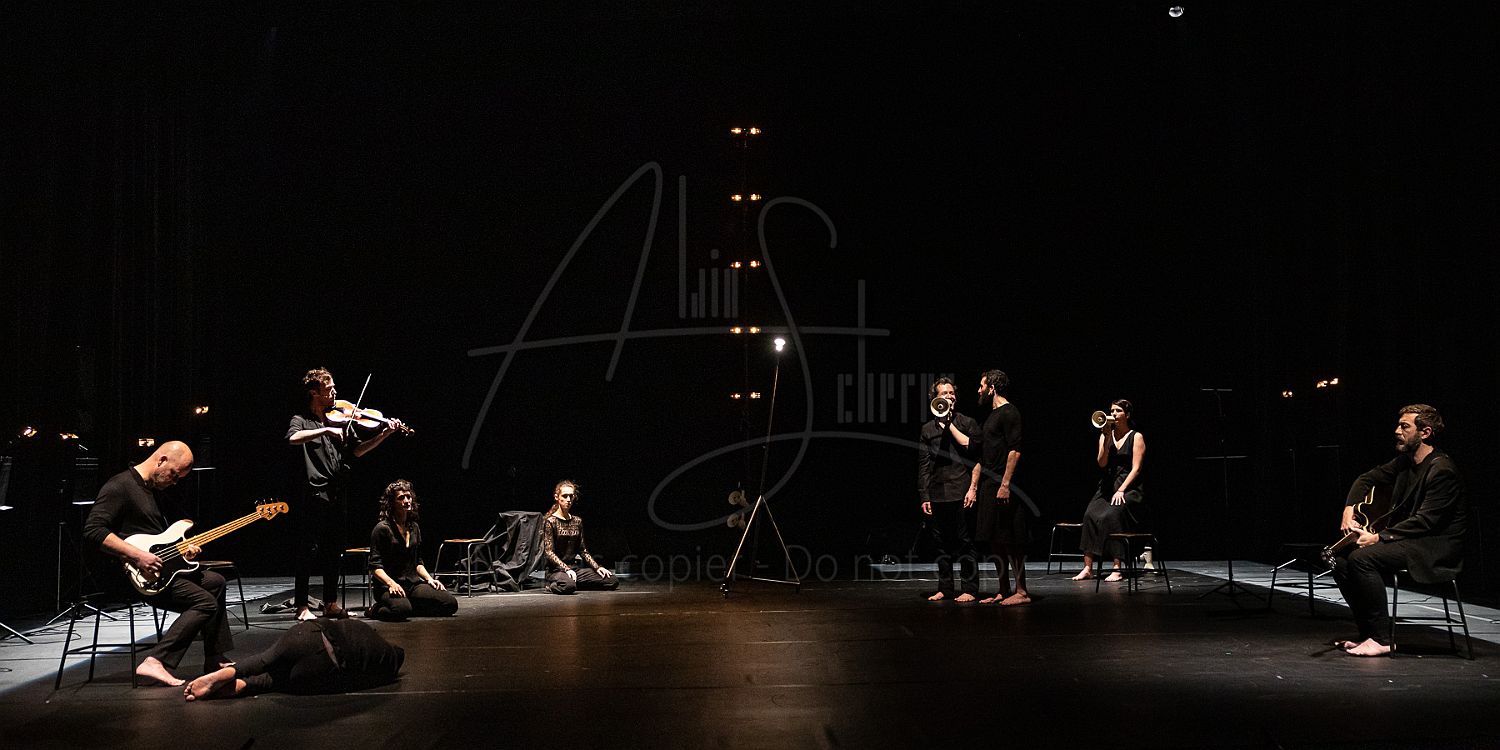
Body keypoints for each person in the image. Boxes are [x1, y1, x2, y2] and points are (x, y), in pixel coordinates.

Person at [82, 441, 234, 687]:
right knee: (204, 602)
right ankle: (155, 661)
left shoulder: (152, 492)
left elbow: (158, 543)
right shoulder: (120, 485)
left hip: (158, 571)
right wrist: (136, 555)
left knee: (216, 582)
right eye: (174, 474)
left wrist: (183, 553)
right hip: (128, 575)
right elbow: (93, 531)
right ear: (161, 460)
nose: (174, 482)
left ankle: (214, 658)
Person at [1330, 404, 1467, 657]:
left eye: (1405, 426)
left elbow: (1425, 521)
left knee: (1361, 559)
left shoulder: (1441, 470)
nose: (1397, 431)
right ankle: (1368, 633)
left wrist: (1378, 537)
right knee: (1340, 561)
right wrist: (1349, 509)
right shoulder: (1405, 462)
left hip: (1433, 547)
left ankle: (1381, 639)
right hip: (1410, 540)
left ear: (1425, 432)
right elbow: (1366, 478)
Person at [286, 368, 402, 621]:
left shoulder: (340, 420)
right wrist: (324, 431)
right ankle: (302, 606)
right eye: (329, 389)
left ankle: (330, 603)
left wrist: (384, 434)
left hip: (338, 491)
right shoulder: (302, 419)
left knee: (334, 550)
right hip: (315, 492)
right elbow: (293, 438)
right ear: (314, 392)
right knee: (309, 550)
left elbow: (358, 451)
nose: (335, 393)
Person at [183, 616, 404, 699]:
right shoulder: (387, 666)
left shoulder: (365, 630)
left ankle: (232, 670)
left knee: (264, 659)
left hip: (310, 635)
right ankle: (245, 685)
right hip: (324, 667)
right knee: (271, 682)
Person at [967, 370, 1028, 605]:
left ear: (992, 388)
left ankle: (1021, 591)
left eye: (981, 386)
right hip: (988, 484)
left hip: (1003, 483)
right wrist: (974, 487)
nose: (979, 390)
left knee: (1011, 538)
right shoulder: (990, 417)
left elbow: (1015, 450)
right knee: (994, 539)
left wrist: (1005, 484)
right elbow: (981, 457)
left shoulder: (1009, 412)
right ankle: (1003, 589)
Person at [917, 377, 981, 602]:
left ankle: (969, 589)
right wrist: (924, 495)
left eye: (951, 393)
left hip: (961, 490)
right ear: (934, 398)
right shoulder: (927, 429)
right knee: (940, 544)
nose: (949, 396)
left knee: (965, 542)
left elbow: (977, 458)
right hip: (937, 493)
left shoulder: (967, 423)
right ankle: (945, 588)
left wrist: (973, 489)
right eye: (943, 393)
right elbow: (924, 465)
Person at [1073, 400, 1147, 582]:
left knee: (1113, 515)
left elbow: (1137, 468)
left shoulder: (1136, 436)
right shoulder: (1105, 435)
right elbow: (1101, 463)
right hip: (1107, 485)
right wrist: (1106, 438)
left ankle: (1117, 568)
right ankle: (1088, 568)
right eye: (1112, 410)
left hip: (1129, 486)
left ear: (1127, 415)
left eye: (1118, 411)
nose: (1113, 414)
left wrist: (1121, 489)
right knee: (1090, 514)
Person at [367, 479, 458, 621]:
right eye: (401, 498)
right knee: (400, 611)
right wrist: (391, 583)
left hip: (412, 585)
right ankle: (375, 610)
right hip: (388, 586)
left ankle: (409, 605)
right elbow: (375, 566)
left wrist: (429, 579)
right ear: (391, 503)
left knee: (450, 603)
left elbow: (418, 562)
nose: (406, 501)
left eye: (408, 497)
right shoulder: (382, 529)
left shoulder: (414, 527)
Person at [541, 480, 618, 594]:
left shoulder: (577, 521)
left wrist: (597, 567)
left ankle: (574, 582)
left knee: (611, 580)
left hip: (574, 569)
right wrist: (566, 569)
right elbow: (549, 552)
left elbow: (583, 551)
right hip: (556, 571)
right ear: (557, 497)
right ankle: (552, 585)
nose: (568, 499)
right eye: (565, 496)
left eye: (571, 496)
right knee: (568, 586)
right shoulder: (550, 521)